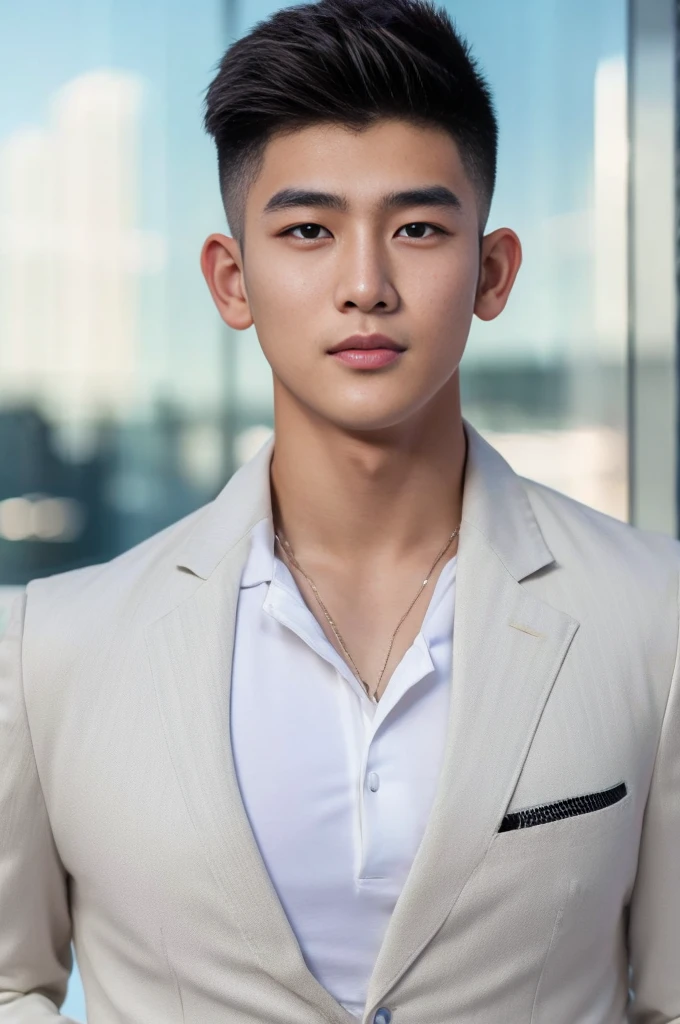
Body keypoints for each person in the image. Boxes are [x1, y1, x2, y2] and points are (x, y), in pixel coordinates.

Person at [1, 0, 678, 1021]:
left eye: (415, 228)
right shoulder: (51, 643)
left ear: (490, 272)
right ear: (232, 280)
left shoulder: (653, 614)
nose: (364, 284)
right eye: (308, 231)